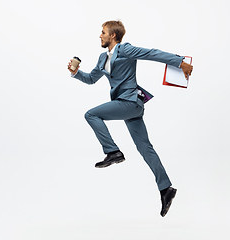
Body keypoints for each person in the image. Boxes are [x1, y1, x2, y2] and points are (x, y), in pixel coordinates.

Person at [67, 20, 193, 217]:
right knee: (145, 148)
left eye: (103, 32)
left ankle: (113, 152)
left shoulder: (125, 49)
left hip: (130, 102)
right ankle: (166, 188)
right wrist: (76, 73)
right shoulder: (102, 58)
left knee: (91, 114)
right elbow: (91, 79)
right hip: (127, 106)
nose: (100, 36)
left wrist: (180, 62)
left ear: (113, 36)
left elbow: (152, 53)